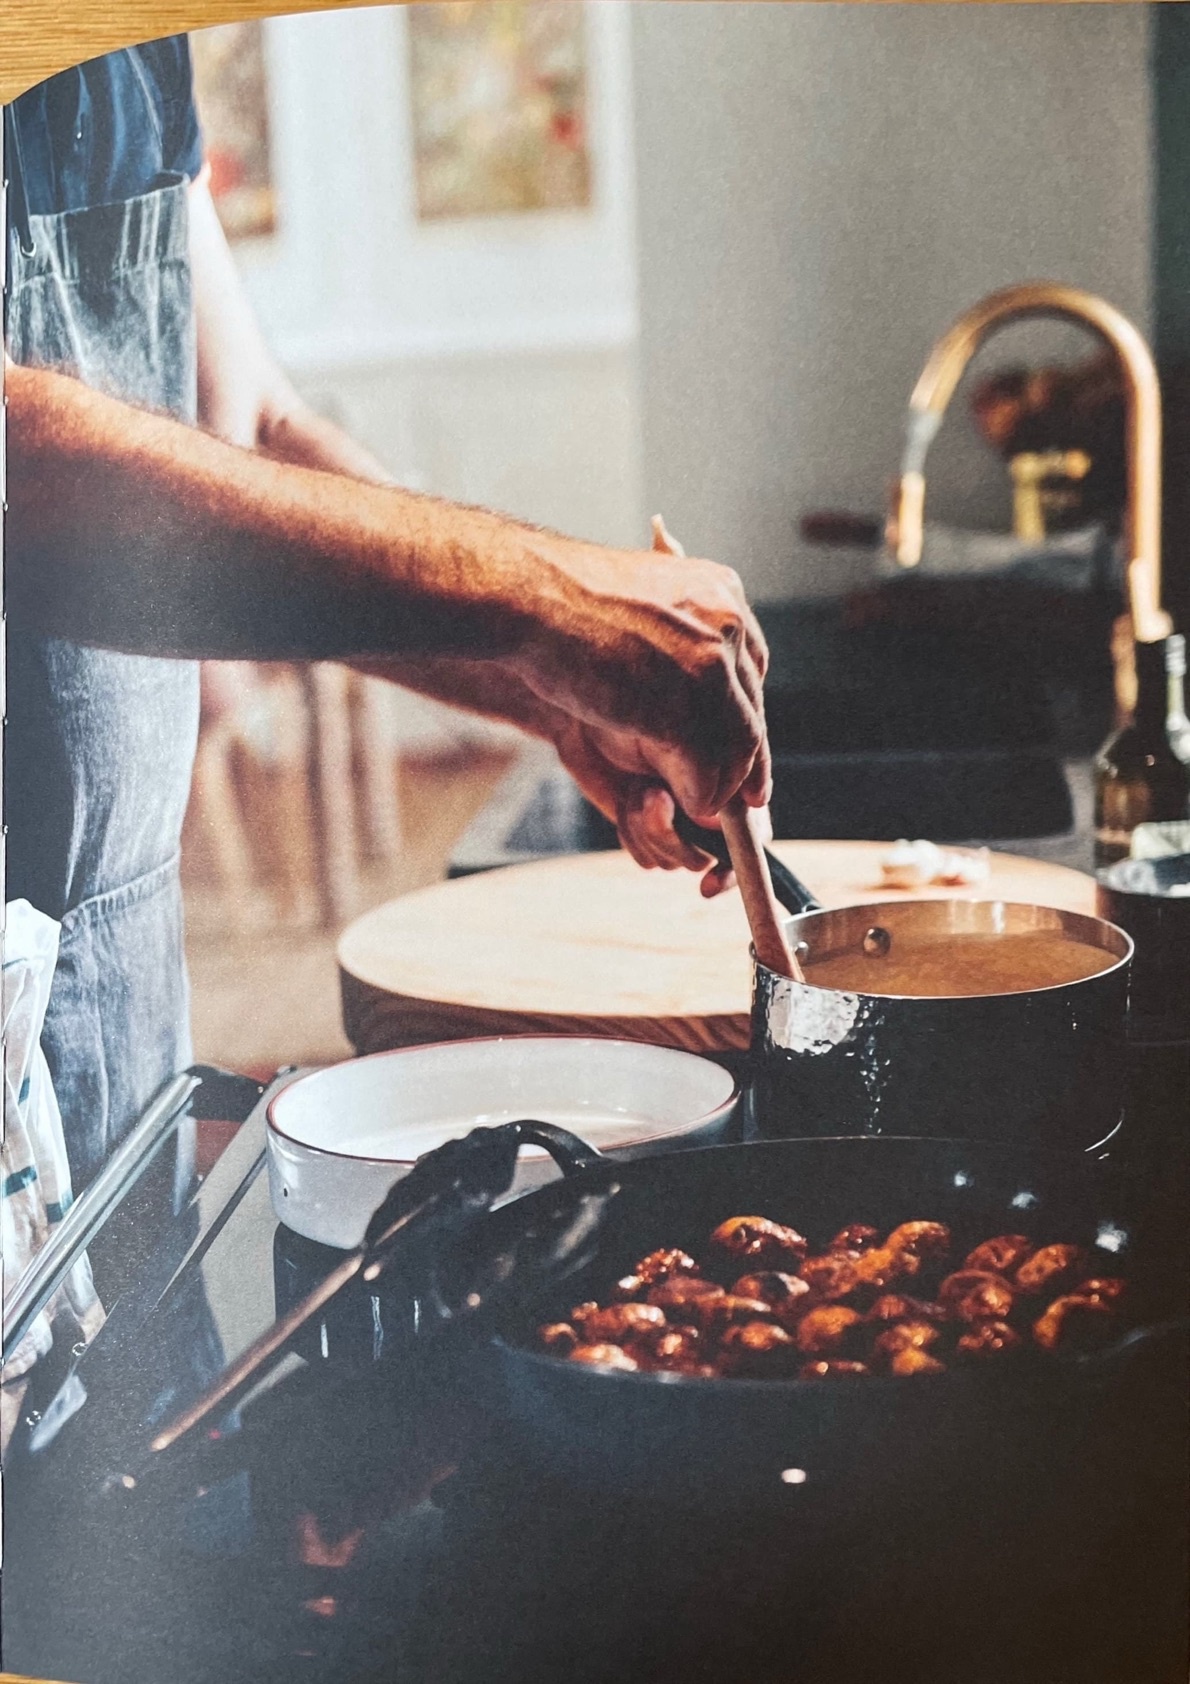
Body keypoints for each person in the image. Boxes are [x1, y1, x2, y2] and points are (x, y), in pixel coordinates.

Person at [4, 40, 770, 1216]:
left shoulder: (126, 43)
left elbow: (247, 417)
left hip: (118, 992)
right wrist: (549, 604)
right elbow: (23, 478)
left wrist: (552, 683)